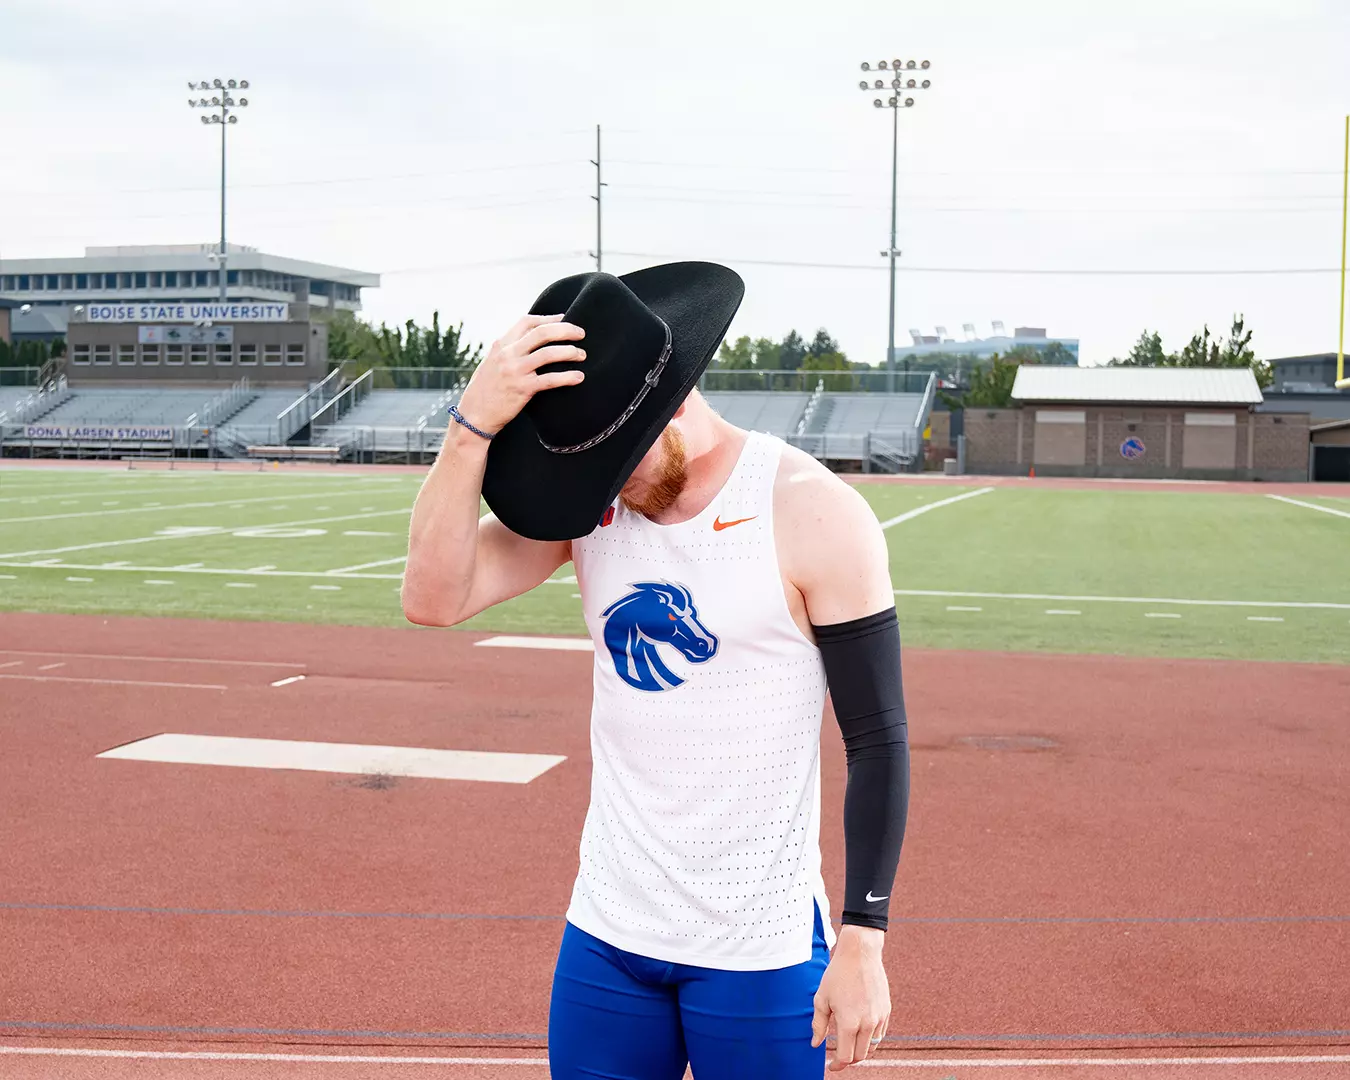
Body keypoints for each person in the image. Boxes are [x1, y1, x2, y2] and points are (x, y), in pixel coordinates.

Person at [403, 263, 910, 1077]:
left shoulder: (812, 511)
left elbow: (878, 739)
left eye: (621, 466)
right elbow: (433, 598)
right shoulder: (594, 507)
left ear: (675, 402)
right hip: (610, 933)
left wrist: (863, 937)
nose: (609, 494)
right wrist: (469, 431)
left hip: (760, 947)